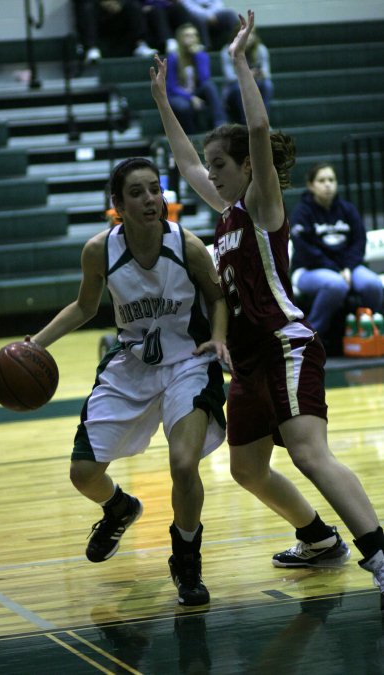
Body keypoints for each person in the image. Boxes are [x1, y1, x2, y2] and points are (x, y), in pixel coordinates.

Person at [150, 10, 384, 611]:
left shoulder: (258, 205)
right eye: (213, 167)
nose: (212, 174)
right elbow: (184, 164)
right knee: (249, 469)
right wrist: (162, 102)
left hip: (285, 344)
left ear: (247, 169)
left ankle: (381, 557)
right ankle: (318, 539)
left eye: (221, 165)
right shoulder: (224, 213)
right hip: (249, 363)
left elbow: (257, 130)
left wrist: (239, 65)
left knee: (308, 453)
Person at [29, 157, 230, 607]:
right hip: (132, 364)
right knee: (83, 473)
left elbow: (218, 298)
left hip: (188, 363)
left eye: (155, 190)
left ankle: (186, 554)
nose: (150, 200)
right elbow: (84, 307)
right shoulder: (99, 250)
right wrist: (36, 345)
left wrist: (217, 339)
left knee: (183, 464)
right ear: (117, 204)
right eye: (137, 192)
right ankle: (119, 507)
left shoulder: (188, 245)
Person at [290, 162, 383, 348]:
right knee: (335, 284)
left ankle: (372, 333)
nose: (327, 185)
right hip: (308, 270)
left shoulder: (347, 209)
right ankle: (310, 337)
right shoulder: (302, 212)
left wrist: (347, 267)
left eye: (331, 180)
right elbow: (305, 249)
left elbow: (359, 242)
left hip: (348, 268)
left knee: (372, 284)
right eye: (322, 180)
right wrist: (337, 269)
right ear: (311, 185)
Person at [166, 23, 227, 134]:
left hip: (196, 91)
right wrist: (191, 98)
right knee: (184, 106)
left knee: (210, 86)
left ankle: (220, 124)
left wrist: (198, 56)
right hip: (179, 94)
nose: (192, 38)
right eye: (188, 35)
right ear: (180, 38)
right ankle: (191, 135)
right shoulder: (173, 57)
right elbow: (171, 87)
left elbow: (205, 79)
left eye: (194, 35)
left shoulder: (201, 55)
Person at [71, 0, 155, 65]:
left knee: (134, 5)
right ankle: (92, 48)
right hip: (98, 10)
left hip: (120, 8)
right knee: (87, 7)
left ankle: (140, 44)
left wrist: (120, 2)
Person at [221, 22, 273, 124]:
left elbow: (267, 74)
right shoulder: (227, 49)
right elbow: (229, 77)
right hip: (234, 86)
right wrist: (247, 75)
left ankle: (264, 121)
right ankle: (246, 122)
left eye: (251, 33)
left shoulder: (261, 49)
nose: (249, 37)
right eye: (245, 34)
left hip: (256, 82)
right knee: (238, 88)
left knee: (267, 85)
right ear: (236, 36)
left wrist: (261, 73)